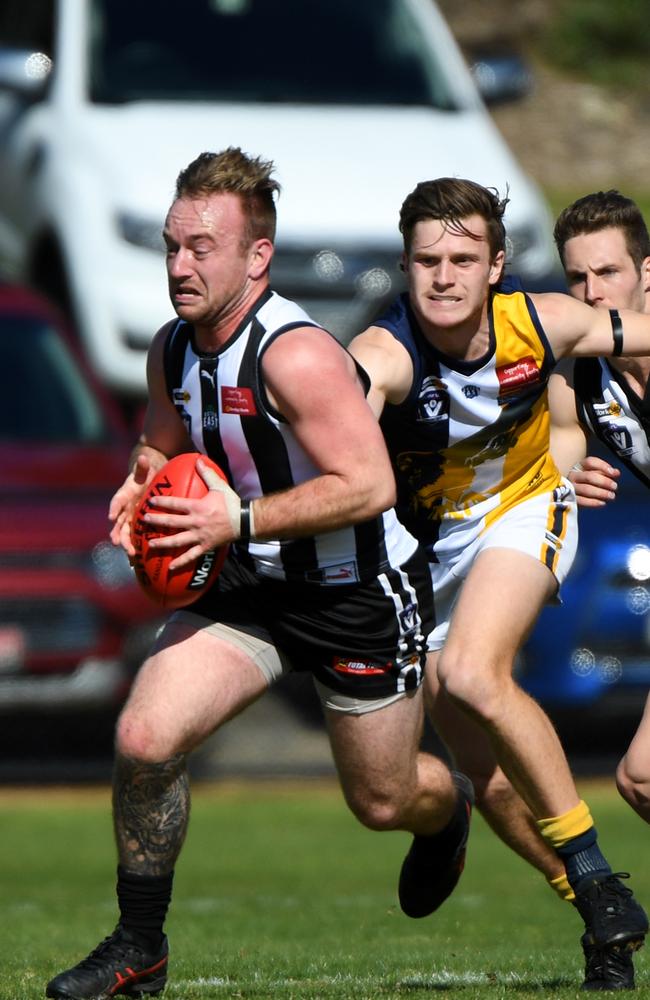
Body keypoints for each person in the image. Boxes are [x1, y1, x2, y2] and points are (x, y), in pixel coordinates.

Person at [45, 148, 474, 1000]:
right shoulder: (172, 348)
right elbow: (162, 437)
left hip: (354, 593)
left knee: (384, 802)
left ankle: (450, 808)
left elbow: (370, 486)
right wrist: (140, 476)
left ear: (257, 256)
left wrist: (234, 518)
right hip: (247, 588)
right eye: (172, 245)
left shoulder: (298, 355)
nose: (180, 266)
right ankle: (140, 947)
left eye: (203, 247)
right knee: (143, 739)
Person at [348, 177, 649, 991]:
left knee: (476, 674)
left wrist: (559, 480)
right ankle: (598, 914)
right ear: (406, 267)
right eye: (427, 260)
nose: (444, 276)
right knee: (475, 776)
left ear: (496, 266)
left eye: (463, 258)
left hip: (520, 512)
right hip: (426, 556)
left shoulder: (543, 322)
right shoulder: (385, 353)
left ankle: (593, 872)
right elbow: (343, 399)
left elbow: (619, 334)